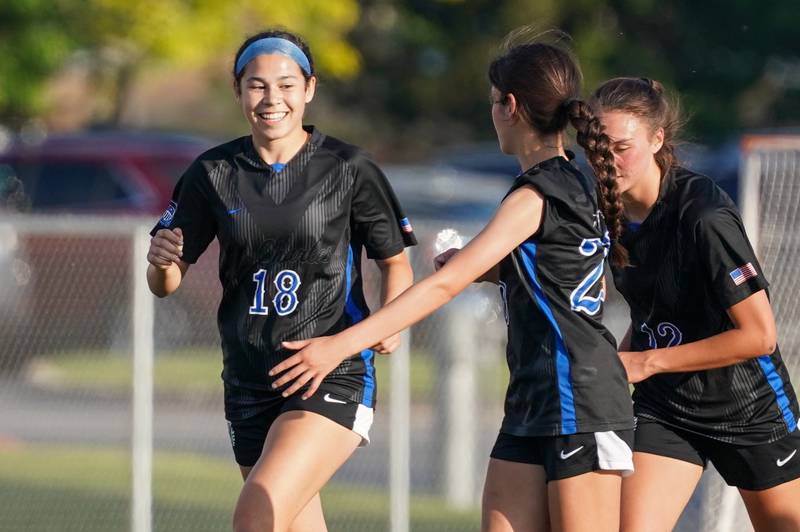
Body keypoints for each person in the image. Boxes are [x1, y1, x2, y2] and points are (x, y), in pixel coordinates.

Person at [271, 34, 635, 532]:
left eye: (492, 103)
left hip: (582, 397)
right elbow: (551, 269)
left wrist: (340, 345)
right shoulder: (570, 178)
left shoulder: (537, 195)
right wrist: (484, 265)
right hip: (534, 396)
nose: (491, 115)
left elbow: (443, 289)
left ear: (509, 106)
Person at [145, 29, 416, 532]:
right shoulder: (212, 172)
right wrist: (162, 263)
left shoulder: (349, 168)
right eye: (258, 85)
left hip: (329, 371)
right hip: (248, 379)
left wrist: (388, 320)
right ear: (238, 90)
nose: (272, 99)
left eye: (287, 85)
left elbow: (394, 261)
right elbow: (166, 282)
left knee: (258, 512)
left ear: (309, 89)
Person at [591, 77, 800, 531]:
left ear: (657, 139)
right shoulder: (607, 213)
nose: (607, 161)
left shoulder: (703, 214)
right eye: (597, 147)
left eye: (621, 147)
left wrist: (644, 361)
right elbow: (655, 312)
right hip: (666, 407)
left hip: (748, 407)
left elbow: (759, 336)